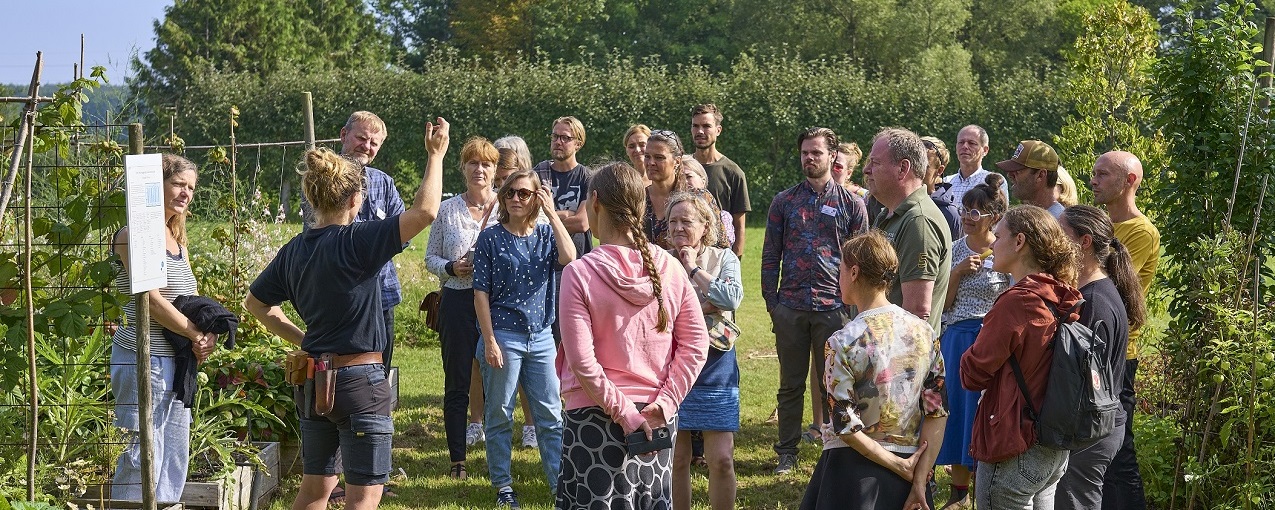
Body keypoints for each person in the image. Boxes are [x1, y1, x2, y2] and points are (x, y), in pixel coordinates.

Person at [244, 117, 447, 510]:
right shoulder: (359, 241)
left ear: (312, 197)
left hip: (315, 380)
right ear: (356, 200)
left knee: (314, 492)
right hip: (360, 386)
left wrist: (305, 341)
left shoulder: (294, 249)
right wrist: (435, 154)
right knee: (362, 500)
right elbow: (425, 213)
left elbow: (255, 306)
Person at [556, 162, 709, 509]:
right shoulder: (669, 267)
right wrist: (667, 403)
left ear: (594, 202)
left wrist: (625, 413)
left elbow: (582, 361)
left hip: (596, 416)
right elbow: (696, 344)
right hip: (656, 420)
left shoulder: (579, 273)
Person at [801, 230, 949, 510]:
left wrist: (899, 466)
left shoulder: (842, 342)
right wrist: (918, 479)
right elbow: (937, 412)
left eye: (841, 269)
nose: (838, 276)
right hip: (911, 472)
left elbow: (846, 426)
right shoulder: (925, 334)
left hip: (853, 475)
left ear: (854, 272)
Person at [424, 137, 536, 480]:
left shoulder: (508, 207)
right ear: (464, 168)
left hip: (498, 304)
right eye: (473, 163)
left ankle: (500, 459)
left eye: (487, 164)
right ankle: (457, 458)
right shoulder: (448, 210)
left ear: (496, 171)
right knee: (457, 380)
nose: (480, 169)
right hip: (458, 301)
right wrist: (450, 268)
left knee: (503, 382)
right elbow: (430, 257)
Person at [109, 154, 217, 501]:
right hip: (145, 357)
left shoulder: (176, 239)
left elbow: (191, 298)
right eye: (178, 184)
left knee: (172, 449)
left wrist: (205, 334)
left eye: (191, 188)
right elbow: (152, 302)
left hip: (176, 358)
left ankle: (167, 506)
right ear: (158, 186)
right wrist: (192, 333)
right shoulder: (133, 236)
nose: (186, 193)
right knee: (143, 451)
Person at [761, 127, 869, 474]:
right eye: (805, 152)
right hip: (790, 308)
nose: (810, 158)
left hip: (833, 309)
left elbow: (861, 260)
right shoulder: (785, 201)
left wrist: (853, 309)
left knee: (834, 385)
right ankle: (787, 452)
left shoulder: (852, 204)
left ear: (831, 156)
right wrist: (772, 303)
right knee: (790, 385)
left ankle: (834, 449)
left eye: (816, 153)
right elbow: (769, 256)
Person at [961, 205, 1083, 509]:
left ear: (1019, 242)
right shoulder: (1060, 294)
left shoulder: (1018, 302)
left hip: (1014, 444)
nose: (991, 242)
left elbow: (972, 374)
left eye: (998, 235)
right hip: (1050, 444)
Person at [474, 169, 576, 507]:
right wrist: (489, 340)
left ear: (537, 197)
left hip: (542, 337)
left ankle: (559, 485)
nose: (516, 199)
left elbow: (570, 257)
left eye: (524, 193)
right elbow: (480, 294)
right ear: (502, 198)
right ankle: (503, 484)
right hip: (504, 335)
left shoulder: (547, 235)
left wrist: (551, 213)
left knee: (550, 412)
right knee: (500, 412)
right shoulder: (490, 239)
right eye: (510, 193)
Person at [299, 112, 405, 375]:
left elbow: (404, 235)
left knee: (381, 368)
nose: (366, 147)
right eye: (361, 138)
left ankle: (379, 413)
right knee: (336, 369)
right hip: (338, 295)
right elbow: (316, 229)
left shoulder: (385, 183)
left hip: (383, 295)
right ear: (344, 135)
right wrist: (375, 239)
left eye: (374, 143)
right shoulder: (320, 180)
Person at [1055, 205, 1146, 510]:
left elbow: (1079, 381)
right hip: (1097, 427)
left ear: (1084, 241)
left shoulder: (1093, 302)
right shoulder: (1097, 291)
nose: (1054, 239)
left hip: (1089, 432)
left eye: (1060, 232)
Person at [935, 174, 1012, 509]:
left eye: (975, 212)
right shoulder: (954, 251)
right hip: (957, 338)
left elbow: (1012, 300)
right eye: (964, 210)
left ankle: (986, 486)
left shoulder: (1005, 251)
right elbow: (945, 303)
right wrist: (957, 273)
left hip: (990, 341)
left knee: (983, 413)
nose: (966, 217)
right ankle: (958, 490)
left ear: (994, 217)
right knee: (956, 412)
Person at [665, 192, 743, 510]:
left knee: (721, 459)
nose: (679, 227)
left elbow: (732, 299)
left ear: (705, 225)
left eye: (687, 221)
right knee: (677, 458)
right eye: (673, 221)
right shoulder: (658, 259)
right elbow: (658, 309)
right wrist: (706, 303)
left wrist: (693, 268)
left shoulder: (725, 258)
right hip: (672, 365)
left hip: (717, 365)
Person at [1091, 151, 1159, 510]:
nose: (1094, 181)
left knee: (1117, 452)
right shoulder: (1102, 225)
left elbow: (1107, 292)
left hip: (1117, 355)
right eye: (1093, 174)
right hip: (1092, 350)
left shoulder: (1140, 231)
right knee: (1094, 453)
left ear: (1129, 180)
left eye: (1102, 174)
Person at [863, 127, 952, 336]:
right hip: (883, 355)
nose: (866, 170)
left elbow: (917, 312)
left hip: (899, 361)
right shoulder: (890, 214)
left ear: (903, 168)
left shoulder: (919, 221)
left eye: (875, 163)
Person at [492, 135, 543, 449]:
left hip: (533, 312)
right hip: (499, 310)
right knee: (501, 377)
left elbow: (567, 256)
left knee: (532, 376)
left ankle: (532, 425)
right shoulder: (499, 212)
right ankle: (497, 429)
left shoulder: (538, 223)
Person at [533, 117, 594, 343]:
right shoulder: (538, 174)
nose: (558, 142)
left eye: (565, 138)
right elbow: (529, 218)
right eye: (555, 136)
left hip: (576, 266)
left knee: (571, 335)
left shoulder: (587, 177)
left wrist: (548, 214)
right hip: (542, 263)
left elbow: (582, 223)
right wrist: (565, 214)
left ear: (578, 143)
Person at [643, 129, 728, 250]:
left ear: (677, 161)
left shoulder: (699, 198)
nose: (651, 162)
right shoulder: (637, 199)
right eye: (647, 156)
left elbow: (721, 246)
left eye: (659, 157)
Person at [691, 104, 750, 257]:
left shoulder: (733, 172)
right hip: (685, 254)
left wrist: (735, 261)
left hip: (719, 255)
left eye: (706, 126)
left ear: (718, 130)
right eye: (695, 126)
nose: (700, 131)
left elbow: (739, 226)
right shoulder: (682, 167)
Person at [942, 124, 1009, 205]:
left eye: (972, 143)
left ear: (985, 150)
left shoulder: (993, 182)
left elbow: (1000, 215)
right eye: (961, 142)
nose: (965, 146)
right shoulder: (946, 182)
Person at [998, 140, 1064, 217]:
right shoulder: (1021, 218)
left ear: (1040, 175)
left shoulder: (1060, 223)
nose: (1009, 175)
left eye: (1018, 171)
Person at [680, 155, 735, 247]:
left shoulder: (723, 217)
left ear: (703, 179)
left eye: (688, 176)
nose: (684, 182)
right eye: (680, 178)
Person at [922, 136, 962, 240]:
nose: (915, 169)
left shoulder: (949, 214)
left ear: (939, 171)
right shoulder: (896, 200)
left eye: (923, 166)